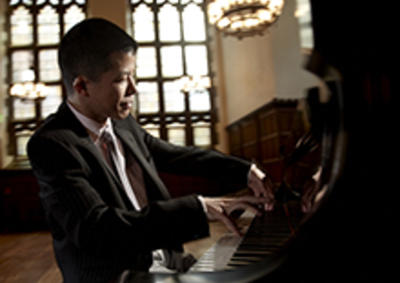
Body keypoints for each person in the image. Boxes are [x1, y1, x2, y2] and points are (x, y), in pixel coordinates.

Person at [27, 18, 274, 283]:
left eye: (132, 75)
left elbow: (175, 155)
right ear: (81, 86)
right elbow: (98, 229)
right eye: (121, 79)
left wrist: (244, 170)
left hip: (164, 259)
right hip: (118, 275)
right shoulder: (51, 145)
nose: (134, 88)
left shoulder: (122, 123)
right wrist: (199, 208)